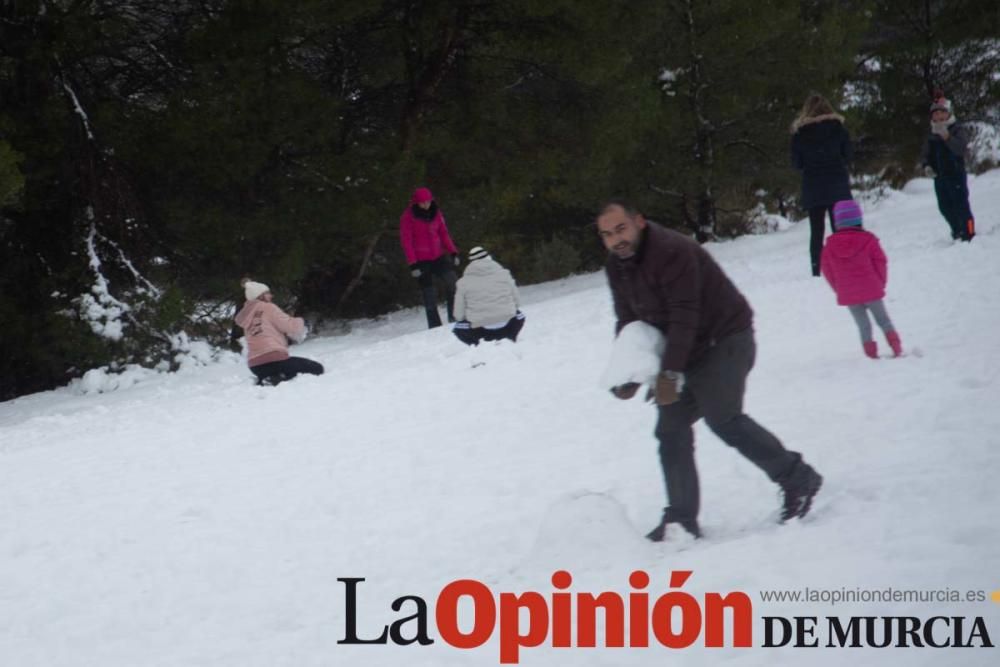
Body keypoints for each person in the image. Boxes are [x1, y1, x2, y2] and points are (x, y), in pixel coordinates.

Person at [598, 200, 822, 540]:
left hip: (725, 339)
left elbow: (685, 314)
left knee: (724, 418)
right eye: (607, 235)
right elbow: (629, 321)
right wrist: (629, 370)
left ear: (639, 222)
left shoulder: (671, 251)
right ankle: (680, 520)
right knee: (670, 430)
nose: (616, 240)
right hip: (683, 349)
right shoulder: (616, 266)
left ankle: (797, 478)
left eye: (621, 229)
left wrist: (670, 374)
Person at [821, 200, 902, 359]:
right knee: (883, 320)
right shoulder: (869, 240)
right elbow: (880, 262)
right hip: (872, 289)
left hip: (849, 294)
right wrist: (880, 282)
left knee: (863, 325)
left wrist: (838, 288)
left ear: (837, 222)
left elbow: (827, 270)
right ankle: (896, 347)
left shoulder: (829, 246)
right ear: (859, 219)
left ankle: (871, 354)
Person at [791, 93, 853, 276]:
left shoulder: (800, 134)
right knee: (840, 229)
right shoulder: (838, 128)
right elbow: (848, 155)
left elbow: (797, 164)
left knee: (816, 231)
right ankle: (844, 265)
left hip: (814, 186)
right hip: (837, 184)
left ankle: (816, 269)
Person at [234, 280, 324, 386]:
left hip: (255, 365)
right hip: (275, 360)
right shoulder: (268, 307)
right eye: (268, 293)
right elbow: (288, 325)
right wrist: (303, 323)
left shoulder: (248, 315)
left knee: (287, 367)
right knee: (317, 368)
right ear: (260, 296)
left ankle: (269, 377)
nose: (271, 296)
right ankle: (277, 377)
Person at [399, 187, 460, 328]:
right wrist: (412, 263)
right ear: (416, 202)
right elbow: (406, 241)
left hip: (438, 256)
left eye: (428, 201)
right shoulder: (407, 217)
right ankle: (434, 326)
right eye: (422, 202)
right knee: (429, 294)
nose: (426, 205)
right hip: (420, 261)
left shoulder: (436, 212)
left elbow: (444, 233)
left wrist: (453, 251)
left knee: (452, 282)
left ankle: (454, 316)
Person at [920, 93, 976, 242]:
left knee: (961, 206)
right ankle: (957, 230)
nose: (938, 116)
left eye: (941, 112)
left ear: (948, 114)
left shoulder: (956, 129)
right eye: (935, 114)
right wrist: (926, 166)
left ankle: (969, 232)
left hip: (956, 174)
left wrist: (947, 137)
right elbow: (925, 154)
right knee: (945, 207)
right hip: (939, 177)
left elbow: (960, 149)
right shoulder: (932, 134)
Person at [452, 246, 525, 346]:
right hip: (507, 324)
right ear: (489, 258)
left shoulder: (463, 283)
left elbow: (458, 315)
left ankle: (476, 345)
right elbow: (518, 302)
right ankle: (509, 337)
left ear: (471, 262)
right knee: (520, 315)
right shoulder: (504, 274)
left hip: (480, 329)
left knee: (458, 328)